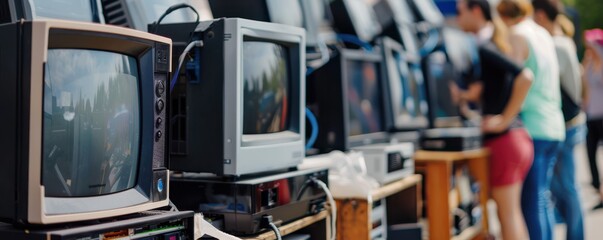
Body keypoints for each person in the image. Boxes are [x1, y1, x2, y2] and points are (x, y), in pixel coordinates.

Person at [455, 1, 533, 239]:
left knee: (507, 215)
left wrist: (503, 119)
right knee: (511, 214)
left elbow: (526, 77)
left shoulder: (486, 48)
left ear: (476, 10)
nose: (458, 19)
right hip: (515, 140)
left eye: (460, 12)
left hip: (506, 140)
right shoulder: (493, 45)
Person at [497, 1, 566, 240]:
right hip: (553, 124)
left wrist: (504, 119)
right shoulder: (542, 33)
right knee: (542, 199)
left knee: (532, 202)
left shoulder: (517, 35)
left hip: (534, 125)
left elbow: (517, 79)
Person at [532, 0, 586, 239]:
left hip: (567, 125)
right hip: (562, 124)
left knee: (568, 187)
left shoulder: (559, 45)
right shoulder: (557, 43)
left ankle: (577, 235)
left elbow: (573, 89)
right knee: (559, 188)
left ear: (541, 15)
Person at [583, 28, 603, 210]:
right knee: (590, 154)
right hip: (591, 116)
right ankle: (599, 191)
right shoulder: (589, 64)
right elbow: (585, 86)